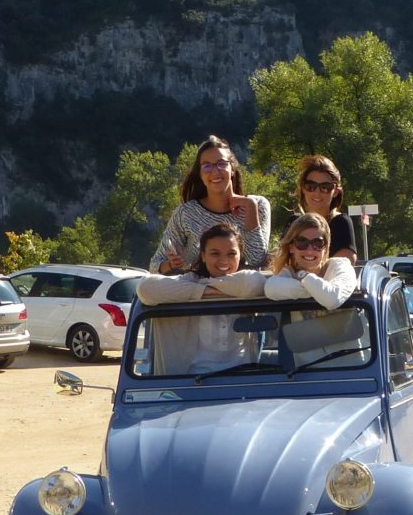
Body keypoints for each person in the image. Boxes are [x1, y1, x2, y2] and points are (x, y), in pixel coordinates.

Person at [134, 223, 269, 373]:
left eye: (231, 254)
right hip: (193, 380)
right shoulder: (192, 280)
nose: (224, 261)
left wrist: (200, 289)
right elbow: (145, 288)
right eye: (215, 254)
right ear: (203, 256)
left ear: (240, 255)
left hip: (244, 378)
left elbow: (255, 284)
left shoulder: (244, 280)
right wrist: (203, 290)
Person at [153, 136, 271, 274]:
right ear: (201, 174)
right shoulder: (186, 213)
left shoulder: (257, 205)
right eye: (207, 166)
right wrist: (172, 264)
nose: (215, 172)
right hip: (195, 288)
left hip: (239, 290)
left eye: (221, 164)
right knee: (146, 286)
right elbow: (155, 265)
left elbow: (257, 261)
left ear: (232, 168)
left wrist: (250, 207)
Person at [264, 212, 359, 310]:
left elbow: (331, 299)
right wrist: (315, 290)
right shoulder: (287, 273)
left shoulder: (340, 266)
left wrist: (303, 276)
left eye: (318, 243)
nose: (310, 250)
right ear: (291, 247)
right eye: (302, 242)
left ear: (326, 248)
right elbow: (271, 288)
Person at [293, 156, 357, 263]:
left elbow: (345, 263)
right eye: (311, 186)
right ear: (303, 188)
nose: (317, 192)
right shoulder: (293, 222)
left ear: (336, 191)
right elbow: (280, 261)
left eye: (325, 187)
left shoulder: (341, 222)